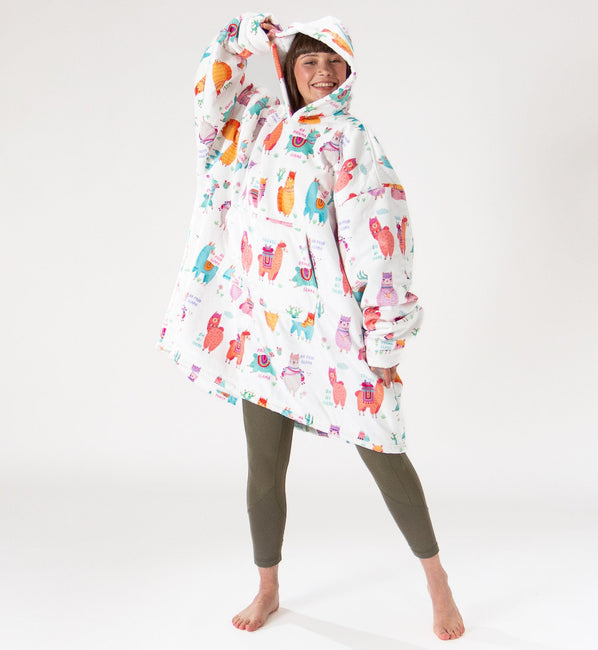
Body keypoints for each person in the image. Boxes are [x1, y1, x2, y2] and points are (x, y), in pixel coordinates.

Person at [158, 11, 464, 641]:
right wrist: (241, 38)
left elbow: (381, 241)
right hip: (261, 331)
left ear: (348, 70)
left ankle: (438, 581)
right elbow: (209, 101)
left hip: (334, 331)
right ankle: (268, 587)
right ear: (288, 67)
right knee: (263, 467)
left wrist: (384, 341)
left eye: (333, 62)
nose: (322, 72)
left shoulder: (350, 140)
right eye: (308, 60)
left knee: (383, 447)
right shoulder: (256, 125)